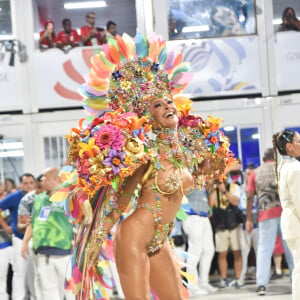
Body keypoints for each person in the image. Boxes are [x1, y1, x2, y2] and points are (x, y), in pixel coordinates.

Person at [64, 32, 234, 299]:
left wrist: (217, 154)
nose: (167, 105)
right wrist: (94, 241)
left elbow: (207, 175)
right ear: (149, 118)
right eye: (157, 105)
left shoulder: (188, 150)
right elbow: (120, 200)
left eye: (168, 101)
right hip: (133, 238)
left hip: (160, 241)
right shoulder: (145, 154)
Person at [246, 148, 294, 296]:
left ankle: (261, 285)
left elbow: (249, 196)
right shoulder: (282, 169)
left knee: (264, 250)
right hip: (285, 213)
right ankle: (296, 282)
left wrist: (248, 218)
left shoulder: (256, 172)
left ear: (263, 159)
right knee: (292, 249)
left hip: (266, 213)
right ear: (276, 158)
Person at [21, 168, 74, 300]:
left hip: (65, 255)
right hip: (43, 255)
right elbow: (33, 222)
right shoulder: (39, 198)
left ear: (56, 179)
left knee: (71, 293)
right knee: (48, 293)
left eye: (44, 177)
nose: (41, 180)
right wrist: (25, 242)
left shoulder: (69, 197)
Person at [273, 129, 300, 300]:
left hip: (291, 224)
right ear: (289, 147)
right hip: (296, 223)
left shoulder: (285, 166)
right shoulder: (295, 168)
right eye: (298, 141)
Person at [0, 173, 36, 300]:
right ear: (21, 184)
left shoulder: (39, 196)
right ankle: (18, 298)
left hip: (36, 240)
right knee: (19, 272)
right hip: (20, 239)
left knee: (34, 273)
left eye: (31, 183)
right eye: (25, 183)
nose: (29, 186)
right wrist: (5, 226)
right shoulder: (14, 197)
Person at [181, 187, 217, 296]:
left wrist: (212, 186)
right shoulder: (186, 173)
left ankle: (203, 282)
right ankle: (192, 286)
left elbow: (210, 201)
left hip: (204, 215)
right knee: (194, 251)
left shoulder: (202, 176)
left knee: (209, 250)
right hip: (191, 215)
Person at [208, 179, 243, 289]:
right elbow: (211, 204)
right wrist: (214, 190)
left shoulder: (234, 187)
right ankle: (223, 278)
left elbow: (235, 201)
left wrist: (224, 191)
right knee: (221, 253)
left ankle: (238, 278)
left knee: (237, 251)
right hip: (221, 225)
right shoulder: (214, 189)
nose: (221, 181)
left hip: (234, 224)